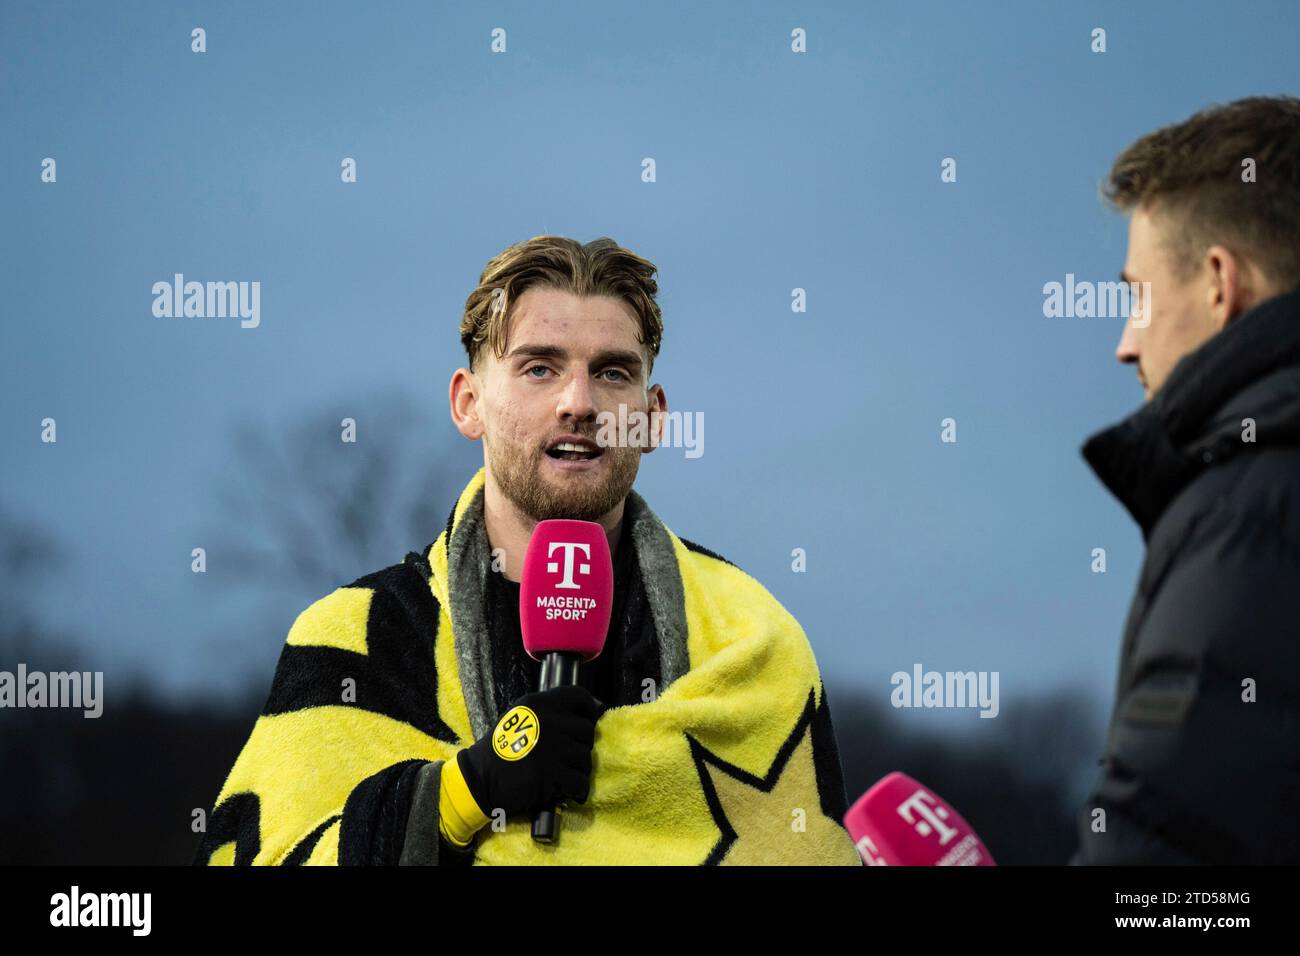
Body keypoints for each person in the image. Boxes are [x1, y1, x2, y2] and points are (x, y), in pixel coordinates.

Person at [193, 235, 862, 865]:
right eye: (539, 368)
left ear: (654, 417)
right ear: (469, 403)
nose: (579, 402)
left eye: (612, 372)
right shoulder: (358, 635)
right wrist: (462, 794)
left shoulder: (752, 636)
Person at [1073, 96, 1300, 864]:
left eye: (1137, 295)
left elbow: (1170, 873)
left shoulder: (1249, 515)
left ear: (1217, 281)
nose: (1125, 344)